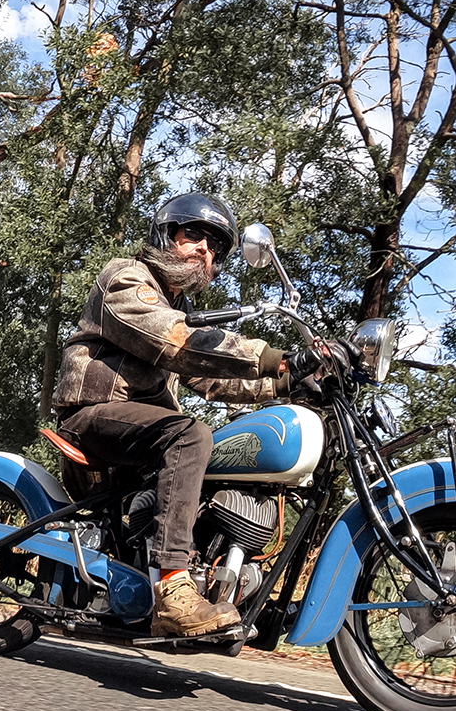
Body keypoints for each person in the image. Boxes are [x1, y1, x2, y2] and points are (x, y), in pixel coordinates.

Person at [52, 193, 319, 638]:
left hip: (137, 430)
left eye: (214, 245)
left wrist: (291, 383)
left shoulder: (179, 310)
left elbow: (215, 380)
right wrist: (277, 358)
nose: (203, 249)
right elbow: (176, 341)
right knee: (191, 436)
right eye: (193, 234)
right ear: (165, 233)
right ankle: (174, 590)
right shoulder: (125, 278)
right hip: (91, 416)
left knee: (218, 450)